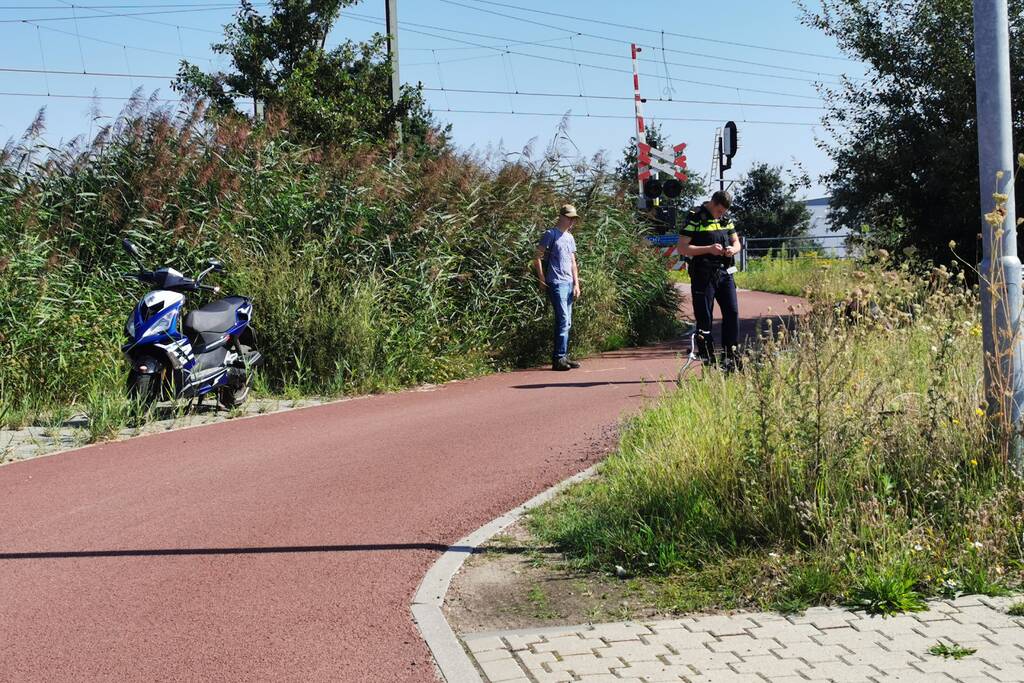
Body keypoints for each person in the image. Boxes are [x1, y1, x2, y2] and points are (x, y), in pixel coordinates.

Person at [677, 190, 742, 369]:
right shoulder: (695, 218)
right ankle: (707, 355)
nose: (721, 215)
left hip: (725, 273)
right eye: (719, 211)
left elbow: (737, 242)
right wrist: (708, 249)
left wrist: (732, 250)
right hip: (703, 274)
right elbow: (682, 248)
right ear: (712, 203)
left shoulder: (725, 219)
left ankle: (730, 355)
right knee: (704, 316)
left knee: (732, 312)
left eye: (724, 212)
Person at [534, 204, 582, 371]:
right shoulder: (550, 234)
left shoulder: (570, 237)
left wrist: (576, 284)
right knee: (563, 319)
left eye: (573, 219)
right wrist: (542, 279)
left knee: (567, 321)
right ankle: (558, 359)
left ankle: (563, 356)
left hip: (568, 283)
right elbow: (537, 256)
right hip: (556, 282)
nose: (571, 221)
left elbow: (573, 263)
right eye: (569, 218)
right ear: (561, 217)